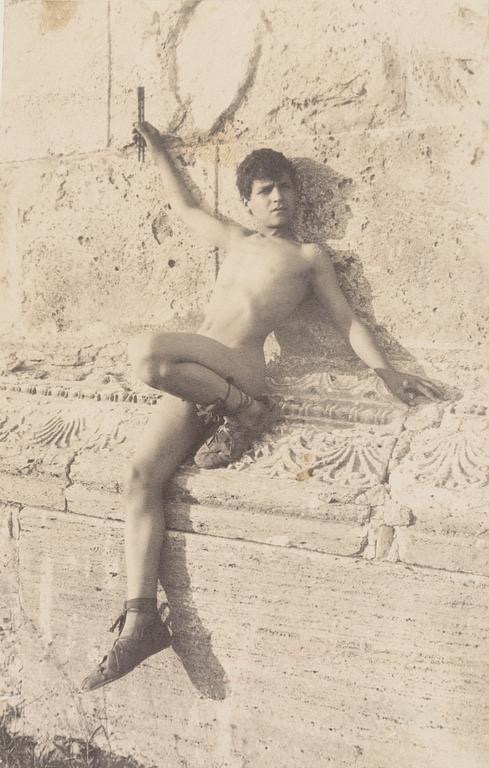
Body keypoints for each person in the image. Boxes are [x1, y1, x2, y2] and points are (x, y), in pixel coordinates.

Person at [80, 122, 443, 691]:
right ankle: (141, 620)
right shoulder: (235, 239)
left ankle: (246, 409)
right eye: (265, 190)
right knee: (139, 476)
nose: (278, 198)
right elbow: (182, 203)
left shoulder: (308, 257)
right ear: (247, 202)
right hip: (199, 378)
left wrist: (388, 374)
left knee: (145, 353)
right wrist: (158, 147)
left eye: (286, 187)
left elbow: (348, 322)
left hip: (240, 368)